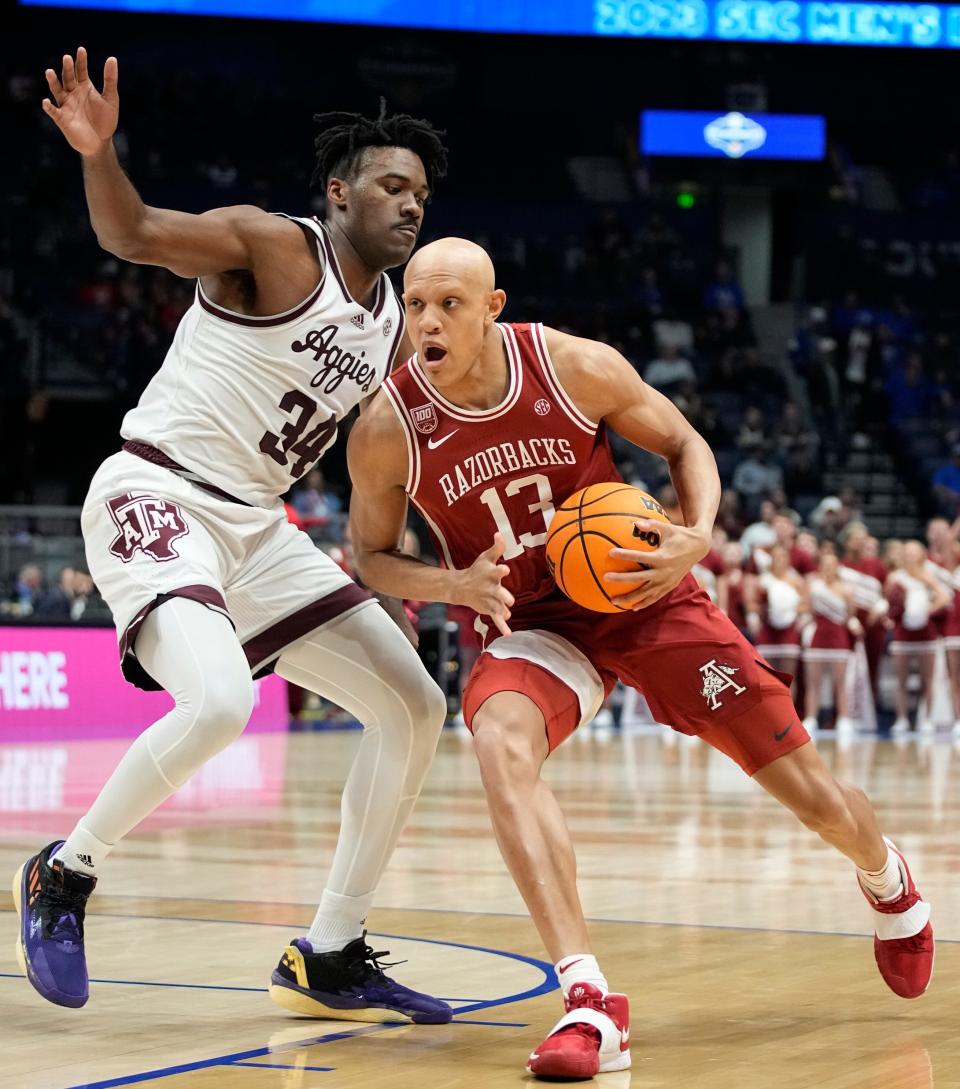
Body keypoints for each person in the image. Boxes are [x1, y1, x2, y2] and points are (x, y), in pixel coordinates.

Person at [346, 238, 934, 1080]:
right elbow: (369, 554)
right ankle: (588, 1000)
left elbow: (686, 443)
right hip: (533, 618)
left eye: (450, 305)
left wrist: (693, 538)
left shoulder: (573, 367)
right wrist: (451, 583)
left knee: (809, 794)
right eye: (415, 306)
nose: (428, 323)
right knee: (499, 744)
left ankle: (886, 876)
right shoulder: (387, 426)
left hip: (642, 593)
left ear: (493, 308)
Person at [15, 47, 452, 1024]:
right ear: (340, 193)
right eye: (390, 184)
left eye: (420, 191)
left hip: (257, 527)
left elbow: (360, 450)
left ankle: (330, 952)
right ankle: (66, 874)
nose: (410, 203)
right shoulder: (276, 247)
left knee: (414, 707)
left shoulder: (388, 321)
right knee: (216, 703)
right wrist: (98, 149)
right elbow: (130, 231)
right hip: (159, 493)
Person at [886, 541, 951, 737]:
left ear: (921, 556)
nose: (910, 556)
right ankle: (902, 719)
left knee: (927, 679)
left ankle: (928, 719)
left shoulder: (927, 576)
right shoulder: (895, 577)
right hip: (903, 633)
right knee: (901, 680)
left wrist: (927, 611)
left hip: (926, 633)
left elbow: (944, 597)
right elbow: (888, 601)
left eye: (914, 553)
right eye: (907, 553)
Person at [803, 547, 863, 738]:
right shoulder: (814, 587)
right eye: (824, 565)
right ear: (820, 567)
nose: (828, 568)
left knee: (841, 682)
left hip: (838, 639)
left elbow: (850, 614)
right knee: (814, 683)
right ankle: (811, 718)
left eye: (831, 565)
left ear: (837, 567)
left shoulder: (846, 590)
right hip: (818, 637)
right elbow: (806, 608)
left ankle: (844, 719)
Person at [744, 542, 808, 697]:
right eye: (776, 556)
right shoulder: (762, 581)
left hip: (788, 631)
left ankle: (790, 718)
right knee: (765, 678)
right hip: (767, 631)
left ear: (788, 559)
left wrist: (789, 610)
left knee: (789, 678)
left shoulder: (796, 581)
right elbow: (751, 604)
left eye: (783, 556)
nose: (779, 559)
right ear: (771, 558)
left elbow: (805, 605)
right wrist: (765, 610)